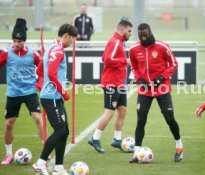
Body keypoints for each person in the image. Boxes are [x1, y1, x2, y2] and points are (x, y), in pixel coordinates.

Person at [129, 23, 183, 163]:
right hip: (144, 90)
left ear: (150, 32)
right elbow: (134, 66)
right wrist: (139, 79)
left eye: (146, 35)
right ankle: (136, 153)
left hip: (162, 88)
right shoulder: (134, 49)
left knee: (169, 118)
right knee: (141, 120)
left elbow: (174, 64)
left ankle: (179, 147)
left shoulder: (162, 46)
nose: (144, 38)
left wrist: (162, 77)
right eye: (141, 36)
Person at [32, 23, 77, 175]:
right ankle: (40, 163)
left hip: (52, 96)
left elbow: (39, 69)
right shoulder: (58, 51)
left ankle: (58, 167)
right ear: (67, 36)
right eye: (72, 39)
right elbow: (50, 73)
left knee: (64, 132)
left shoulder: (52, 47)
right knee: (59, 131)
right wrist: (63, 92)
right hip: (52, 97)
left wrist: (41, 85)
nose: (72, 42)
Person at [0, 18, 44, 165]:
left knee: (37, 118)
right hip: (13, 93)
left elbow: (43, 69)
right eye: (14, 41)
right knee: (9, 124)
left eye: (19, 41)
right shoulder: (6, 53)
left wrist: (39, 83)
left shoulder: (33, 54)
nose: (16, 44)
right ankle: (8, 154)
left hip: (30, 91)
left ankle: (46, 150)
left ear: (24, 41)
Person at [87, 20, 133, 153]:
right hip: (112, 83)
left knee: (123, 110)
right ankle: (95, 138)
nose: (130, 34)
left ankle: (117, 140)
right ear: (122, 30)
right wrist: (125, 61)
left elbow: (105, 57)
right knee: (110, 112)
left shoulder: (119, 42)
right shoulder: (115, 42)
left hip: (120, 83)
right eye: (129, 31)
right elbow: (107, 59)